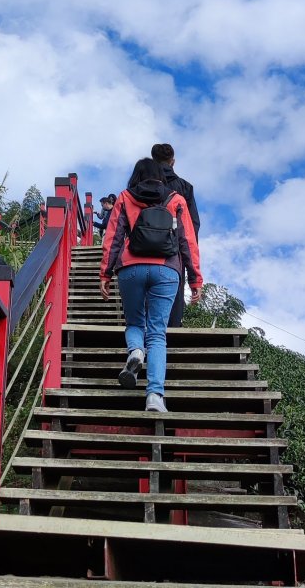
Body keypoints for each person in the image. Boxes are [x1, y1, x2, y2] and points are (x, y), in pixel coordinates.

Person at [100, 158, 202, 412]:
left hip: (131, 268)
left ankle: (135, 351)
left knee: (135, 323)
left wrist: (105, 274)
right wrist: (195, 279)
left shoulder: (125, 197)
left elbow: (113, 237)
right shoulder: (176, 199)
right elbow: (187, 241)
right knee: (157, 334)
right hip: (167, 270)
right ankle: (154, 395)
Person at [151, 143, 200, 328]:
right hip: (174, 251)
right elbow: (193, 225)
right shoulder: (185, 187)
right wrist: (191, 263)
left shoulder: (141, 185)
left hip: (141, 249)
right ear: (173, 161)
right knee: (173, 299)